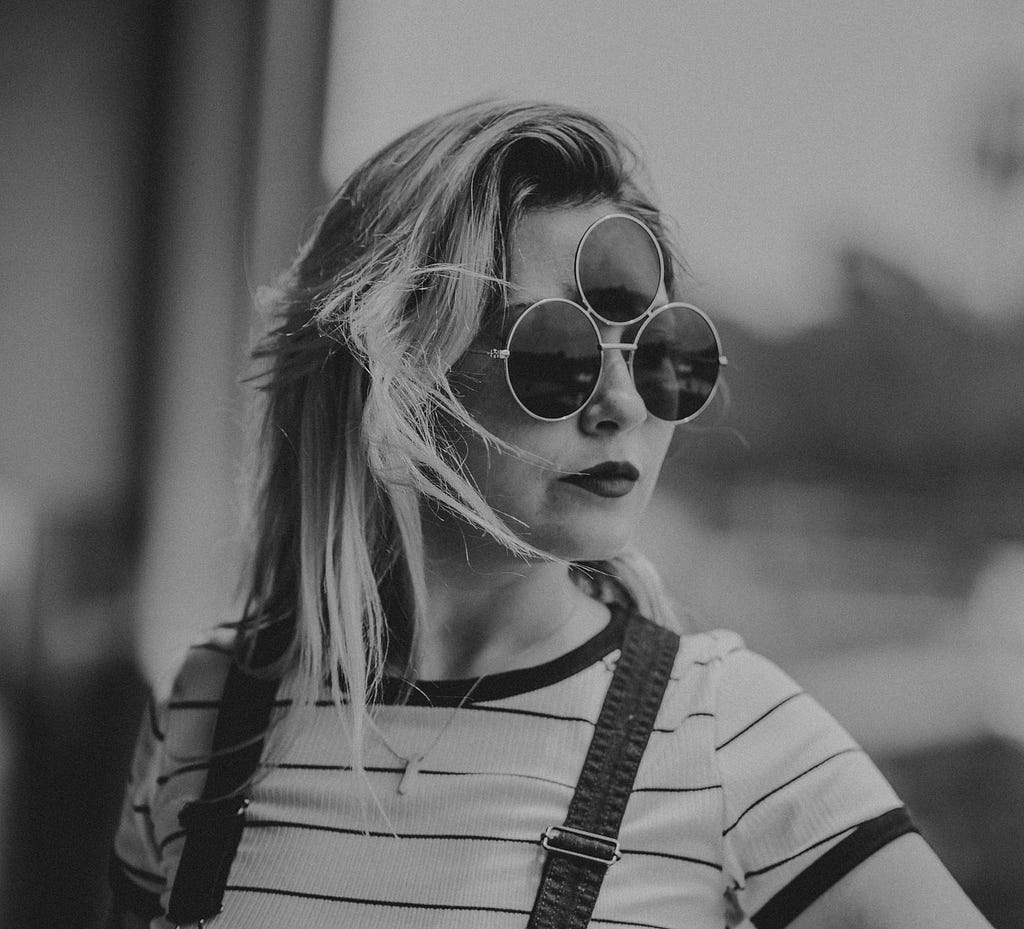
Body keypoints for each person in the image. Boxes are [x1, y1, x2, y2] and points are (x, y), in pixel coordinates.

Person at [108, 100, 994, 929]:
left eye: (661, 353)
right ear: (393, 377)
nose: (623, 404)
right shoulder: (208, 709)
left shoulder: (726, 735)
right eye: (555, 352)